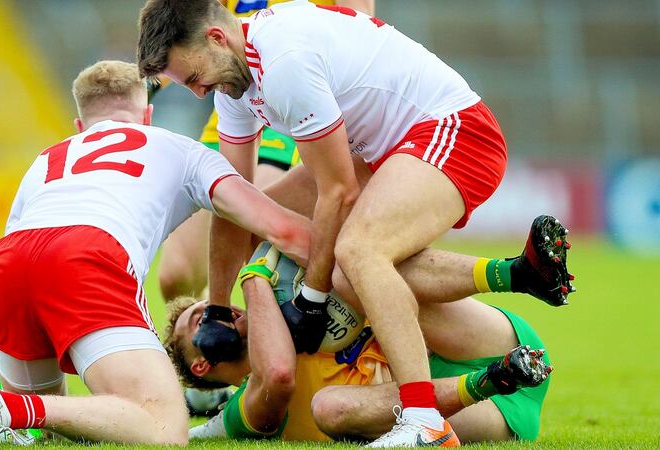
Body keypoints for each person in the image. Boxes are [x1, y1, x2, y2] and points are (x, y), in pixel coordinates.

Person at [137, 1, 573, 445]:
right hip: (388, 148)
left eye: (192, 78)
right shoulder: (237, 81)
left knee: (357, 254)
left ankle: (423, 420)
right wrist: (215, 306)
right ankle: (520, 274)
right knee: (279, 227)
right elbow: (234, 208)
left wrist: (311, 296)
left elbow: (338, 190)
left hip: (452, 129)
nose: (197, 93)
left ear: (215, 39)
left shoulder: (283, 62)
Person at [0, 60, 313, 448]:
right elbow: (280, 227)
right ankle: (5, 407)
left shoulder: (47, 158)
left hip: (8, 263)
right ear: (148, 115)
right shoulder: (182, 150)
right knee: (164, 427)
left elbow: (20, 237)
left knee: (41, 432)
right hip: (89, 254)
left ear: (80, 126)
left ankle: (6, 410)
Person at [164, 245, 552, 444]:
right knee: (328, 407)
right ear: (202, 364)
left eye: (213, 307)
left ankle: (517, 272)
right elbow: (194, 433)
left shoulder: (300, 304)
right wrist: (253, 275)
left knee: (357, 270)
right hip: (485, 404)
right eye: (200, 321)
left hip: (478, 341)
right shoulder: (248, 405)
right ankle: (500, 377)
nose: (217, 312)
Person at [158, 0, 375, 301]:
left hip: (292, 101)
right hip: (234, 100)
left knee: (256, 234)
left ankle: (311, 315)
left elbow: (359, 26)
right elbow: (186, 34)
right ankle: (214, 325)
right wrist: (136, 89)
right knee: (176, 276)